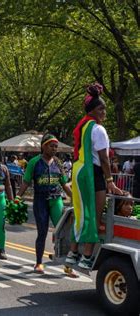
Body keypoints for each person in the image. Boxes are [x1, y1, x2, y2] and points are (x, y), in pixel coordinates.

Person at [68, 83, 122, 270]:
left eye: (105, 108)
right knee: (94, 215)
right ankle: (87, 256)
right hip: (93, 174)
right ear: (92, 111)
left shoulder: (83, 126)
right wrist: (110, 182)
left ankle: (72, 253)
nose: (104, 112)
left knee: (80, 212)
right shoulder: (98, 129)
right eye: (101, 108)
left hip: (79, 171)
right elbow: (104, 159)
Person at [17, 134, 72, 274]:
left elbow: (64, 184)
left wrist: (76, 198)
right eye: (51, 146)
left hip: (56, 200)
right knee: (42, 232)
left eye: (56, 147)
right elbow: (26, 182)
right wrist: (17, 197)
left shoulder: (58, 163)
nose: (54, 149)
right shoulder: (34, 162)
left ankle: (67, 264)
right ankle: (39, 263)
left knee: (63, 232)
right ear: (44, 146)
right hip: (40, 201)